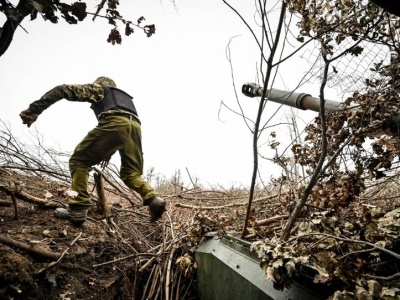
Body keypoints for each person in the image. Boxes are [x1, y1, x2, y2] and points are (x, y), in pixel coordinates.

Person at [19, 76, 166, 225]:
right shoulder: (124, 100)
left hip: (115, 123)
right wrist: (108, 151)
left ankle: (78, 208)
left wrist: (35, 109)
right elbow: (124, 126)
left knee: (79, 162)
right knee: (131, 173)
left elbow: (62, 90)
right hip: (135, 127)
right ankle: (153, 199)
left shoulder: (100, 89)